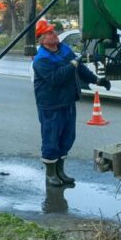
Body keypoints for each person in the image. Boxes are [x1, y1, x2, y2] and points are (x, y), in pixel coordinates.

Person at [31, 19, 110, 187]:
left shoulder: (64, 49)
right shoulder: (41, 60)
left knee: (67, 138)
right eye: (50, 33)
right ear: (42, 39)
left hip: (67, 102)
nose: (55, 34)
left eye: (54, 31)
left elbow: (80, 69)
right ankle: (50, 174)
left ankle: (60, 171)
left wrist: (98, 80)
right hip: (51, 106)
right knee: (51, 140)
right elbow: (55, 79)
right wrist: (73, 63)